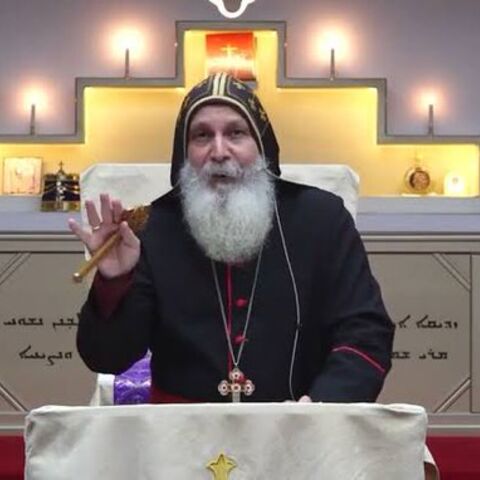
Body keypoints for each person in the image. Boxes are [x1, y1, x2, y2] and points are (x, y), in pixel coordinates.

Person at [69, 72, 395, 403]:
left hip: (298, 424)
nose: (219, 151)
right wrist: (114, 282)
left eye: (236, 133)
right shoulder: (153, 229)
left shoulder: (321, 219)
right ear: (184, 152)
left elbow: (365, 334)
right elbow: (107, 358)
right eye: (202, 136)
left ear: (261, 144)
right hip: (183, 430)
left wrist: (323, 404)